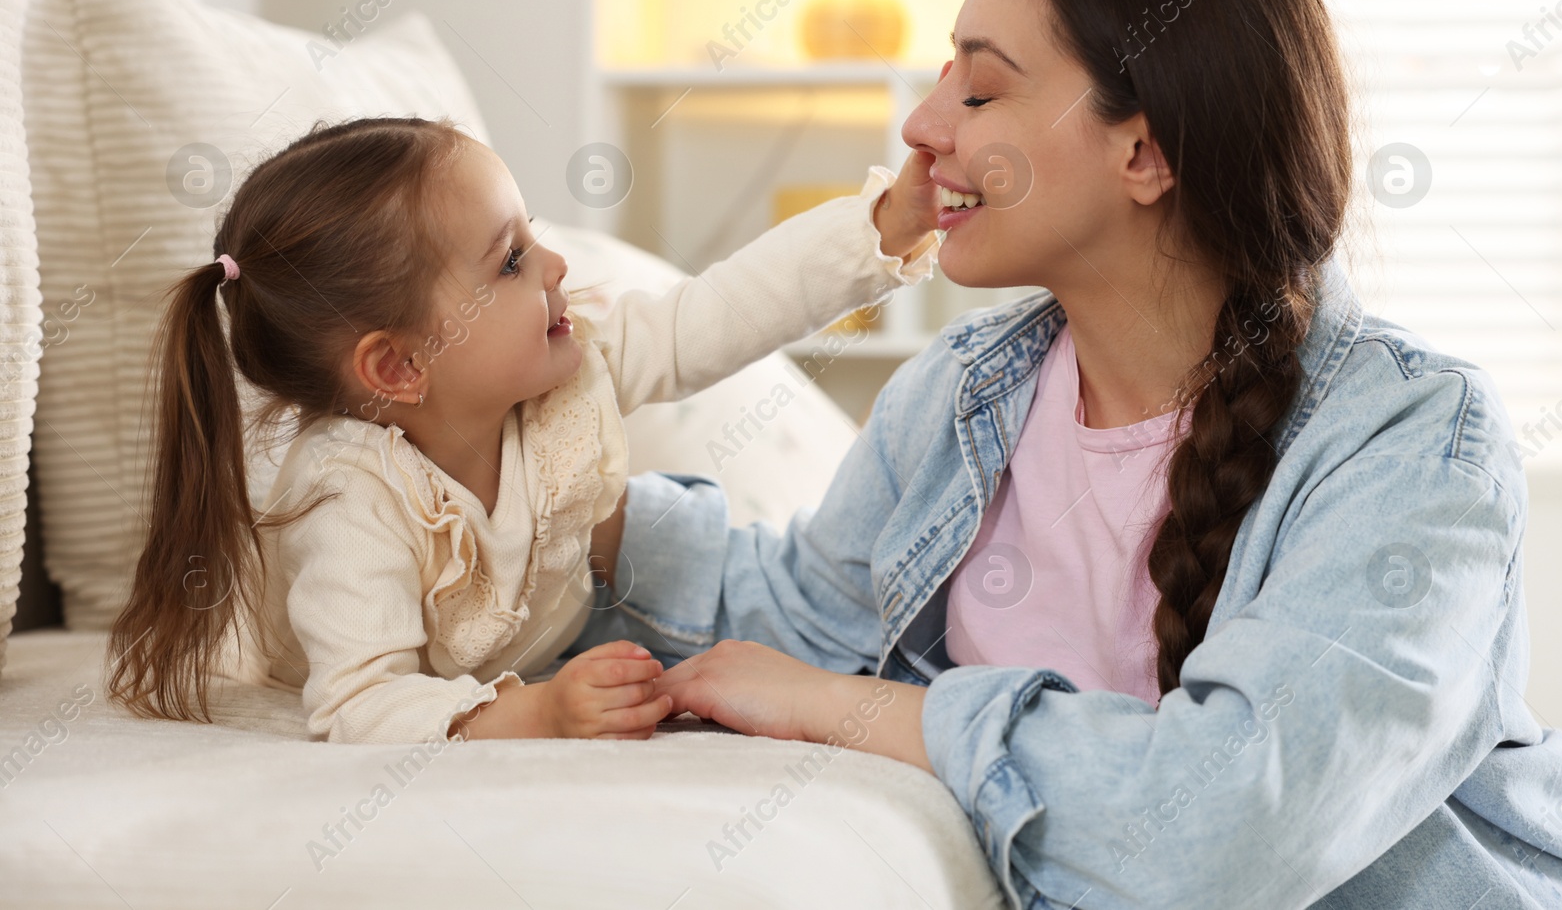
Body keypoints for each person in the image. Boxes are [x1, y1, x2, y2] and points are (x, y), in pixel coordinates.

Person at [587, 0, 1562, 907]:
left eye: (979, 92)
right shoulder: (958, 395)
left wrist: (850, 711)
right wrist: (535, 492)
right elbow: (801, 613)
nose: (923, 124)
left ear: (1143, 151)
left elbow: (1218, 831)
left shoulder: (1410, 446)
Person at [106, 116, 941, 745]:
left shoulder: (566, 371)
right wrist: (535, 709)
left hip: (626, 574)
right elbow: (359, 702)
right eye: (510, 260)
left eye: (533, 236)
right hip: (559, 632)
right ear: (399, 367)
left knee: (868, 600)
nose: (555, 266)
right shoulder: (349, 501)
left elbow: (713, 315)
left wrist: (881, 228)